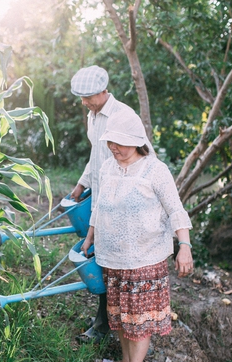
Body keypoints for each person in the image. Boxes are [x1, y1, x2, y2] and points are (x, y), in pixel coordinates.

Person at [80, 110, 193, 362]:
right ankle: (124, 361)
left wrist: (184, 246)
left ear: (136, 141)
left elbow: (175, 209)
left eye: (120, 143)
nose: (114, 148)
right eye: (111, 142)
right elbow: (99, 205)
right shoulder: (108, 167)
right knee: (119, 314)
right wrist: (91, 235)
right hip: (112, 256)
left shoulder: (155, 170)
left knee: (139, 320)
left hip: (145, 258)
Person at [69, 66, 153, 345]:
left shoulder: (123, 117)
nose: (83, 103)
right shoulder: (93, 116)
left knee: (113, 262)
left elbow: (142, 160)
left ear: (103, 91)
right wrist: (82, 184)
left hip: (121, 202)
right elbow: (97, 157)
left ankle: (110, 326)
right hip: (102, 197)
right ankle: (105, 320)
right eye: (81, 98)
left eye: (87, 97)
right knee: (103, 258)